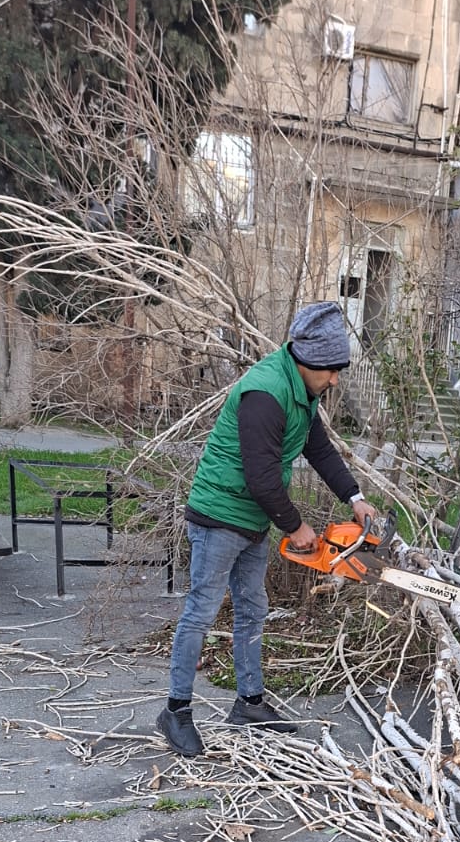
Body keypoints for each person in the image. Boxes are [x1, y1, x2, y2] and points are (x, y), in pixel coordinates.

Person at [156, 302, 378, 758]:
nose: (335, 380)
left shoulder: (302, 390)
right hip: (220, 516)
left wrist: (354, 499)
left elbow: (319, 448)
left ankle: (249, 702)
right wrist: (296, 527)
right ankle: (175, 711)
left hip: (254, 518)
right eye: (331, 371)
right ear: (307, 361)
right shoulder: (265, 392)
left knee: (253, 609)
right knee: (201, 610)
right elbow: (260, 477)